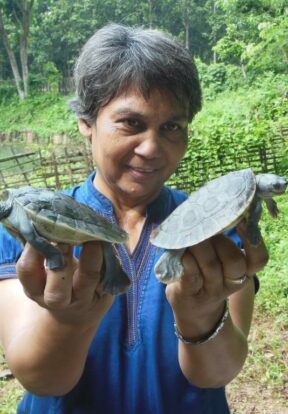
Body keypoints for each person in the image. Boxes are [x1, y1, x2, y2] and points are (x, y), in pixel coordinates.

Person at [0, 24, 268, 414]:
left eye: (171, 127)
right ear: (87, 123)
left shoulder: (215, 229)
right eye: (131, 123)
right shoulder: (27, 229)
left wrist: (202, 319)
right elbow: (42, 380)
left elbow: (218, 373)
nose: (152, 148)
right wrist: (69, 322)